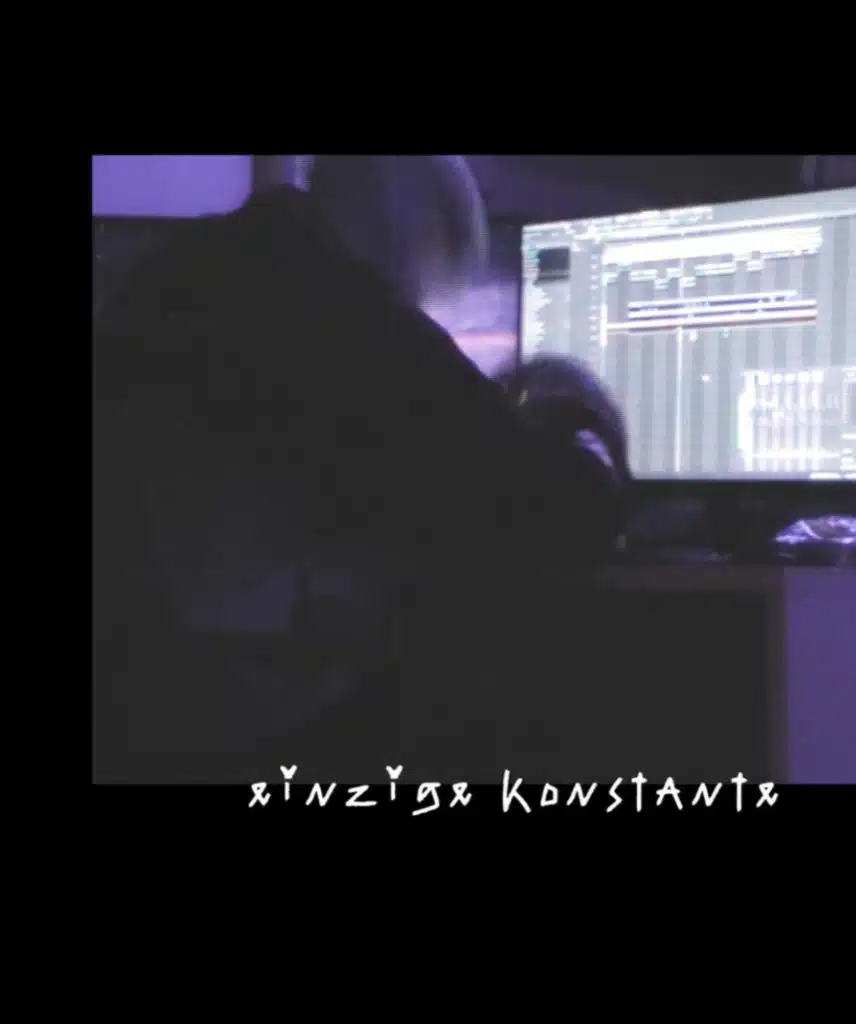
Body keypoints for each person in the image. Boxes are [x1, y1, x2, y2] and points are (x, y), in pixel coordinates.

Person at [92, 156, 628, 783]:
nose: (418, 311)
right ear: (416, 233)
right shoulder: (332, 304)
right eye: (425, 292)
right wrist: (572, 407)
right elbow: (565, 512)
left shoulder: (190, 264)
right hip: (242, 723)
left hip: (132, 701)